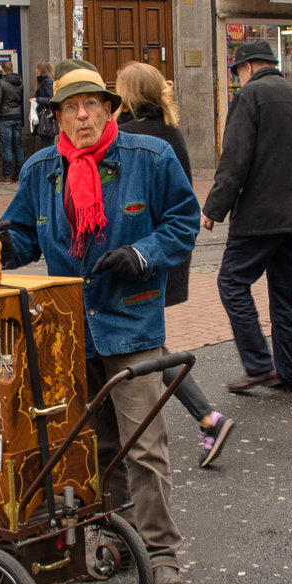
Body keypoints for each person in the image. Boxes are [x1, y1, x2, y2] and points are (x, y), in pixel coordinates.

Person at [0, 58, 201, 584]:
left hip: (131, 323)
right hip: (68, 331)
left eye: (91, 104)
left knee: (144, 445)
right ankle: (116, 536)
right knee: (93, 445)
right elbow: (20, 235)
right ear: (57, 118)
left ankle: (162, 557)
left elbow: (183, 222)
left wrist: (140, 253)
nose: (82, 115)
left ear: (109, 109)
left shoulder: (148, 157)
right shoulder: (41, 170)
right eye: (70, 108)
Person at [115, 61, 234, 467]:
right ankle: (206, 417)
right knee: (146, 343)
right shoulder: (171, 131)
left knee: (141, 345)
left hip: (137, 259)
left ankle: (207, 416)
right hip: (164, 254)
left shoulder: (127, 136)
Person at [201, 40, 292, 395]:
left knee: (231, 282)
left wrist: (213, 208)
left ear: (250, 67)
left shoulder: (250, 97)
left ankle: (258, 364)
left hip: (260, 215)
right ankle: (290, 373)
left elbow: (235, 158)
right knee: (285, 295)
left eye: (238, 71)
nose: (239, 79)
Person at [0, 60, 24, 183]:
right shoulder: (20, 82)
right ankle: (19, 173)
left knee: (6, 147)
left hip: (5, 118)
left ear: (2, 70)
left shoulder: (0, 82)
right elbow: (20, 99)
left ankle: (6, 175)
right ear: (12, 69)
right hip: (17, 117)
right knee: (18, 146)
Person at [30, 60, 58, 149]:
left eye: (37, 69)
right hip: (45, 117)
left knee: (47, 145)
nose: (35, 71)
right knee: (46, 144)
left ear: (40, 69)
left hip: (47, 118)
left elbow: (52, 99)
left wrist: (37, 99)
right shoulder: (43, 81)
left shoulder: (47, 82)